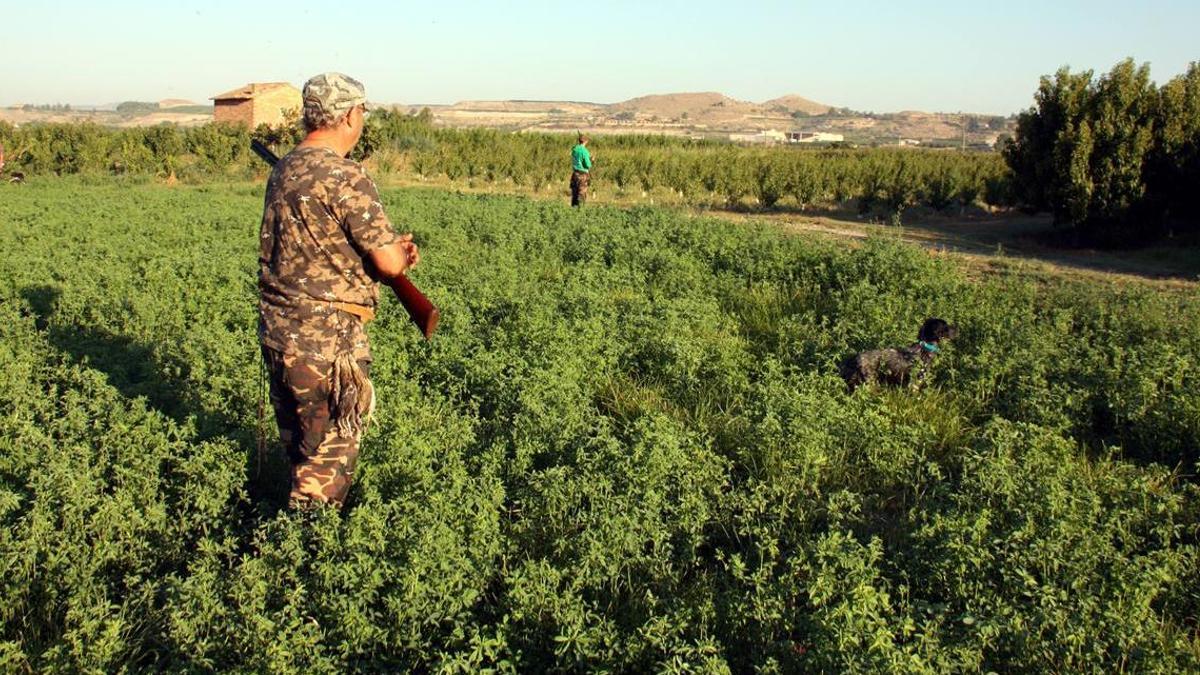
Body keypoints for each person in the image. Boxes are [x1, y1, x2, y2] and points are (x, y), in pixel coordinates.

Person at [258, 72, 420, 509]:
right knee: (326, 466)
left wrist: (387, 249)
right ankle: (306, 558)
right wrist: (399, 254)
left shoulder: (287, 168)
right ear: (349, 114)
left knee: (303, 452)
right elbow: (387, 263)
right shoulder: (344, 175)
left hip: (279, 334)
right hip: (327, 343)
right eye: (362, 111)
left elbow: (319, 242)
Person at [570, 133, 592, 206]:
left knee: (574, 195)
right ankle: (580, 212)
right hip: (582, 175)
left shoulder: (574, 149)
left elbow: (573, 152)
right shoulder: (585, 151)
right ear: (586, 141)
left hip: (575, 174)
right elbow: (588, 165)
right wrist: (591, 160)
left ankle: (573, 211)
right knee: (581, 195)